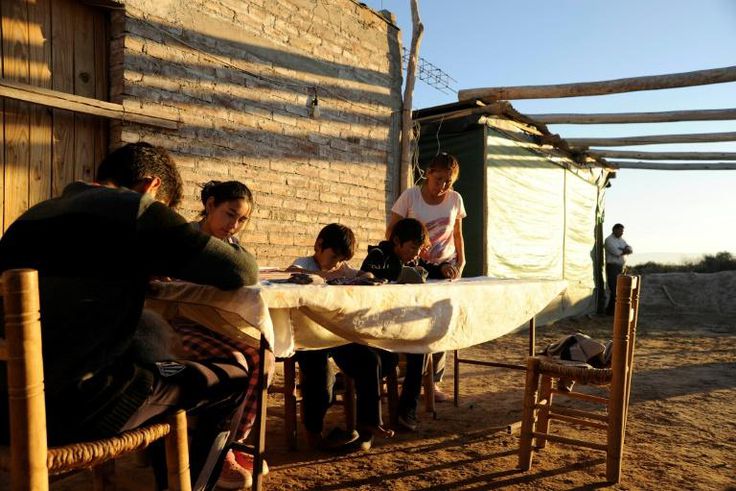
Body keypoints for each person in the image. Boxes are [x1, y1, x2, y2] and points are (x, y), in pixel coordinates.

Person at [0, 142, 258, 490]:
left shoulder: (32, 215)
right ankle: (195, 484)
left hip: (5, 412)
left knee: (152, 345)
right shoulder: (134, 208)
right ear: (150, 187)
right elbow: (240, 270)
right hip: (78, 411)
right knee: (235, 372)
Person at [170, 180, 273, 490]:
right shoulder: (182, 239)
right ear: (210, 205)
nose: (234, 226)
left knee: (262, 355)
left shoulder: (232, 250)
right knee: (237, 360)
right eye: (230, 215)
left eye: (242, 220)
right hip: (173, 324)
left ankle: (231, 443)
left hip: (212, 325)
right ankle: (212, 451)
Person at [291, 224, 396, 451]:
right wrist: (324, 277)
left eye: (341, 260)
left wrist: (362, 278)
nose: (337, 263)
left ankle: (368, 425)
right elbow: (292, 273)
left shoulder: (342, 268)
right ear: (319, 246)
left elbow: (365, 274)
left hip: (337, 334)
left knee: (371, 360)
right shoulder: (303, 264)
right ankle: (313, 433)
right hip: (308, 338)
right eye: (334, 256)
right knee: (320, 380)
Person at [386, 152, 467, 402]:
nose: (442, 186)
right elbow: (392, 231)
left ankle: (433, 382)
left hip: (445, 267)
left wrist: (461, 261)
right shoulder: (410, 196)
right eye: (439, 179)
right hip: (414, 269)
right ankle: (406, 376)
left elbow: (457, 233)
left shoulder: (455, 199)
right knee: (412, 321)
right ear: (428, 173)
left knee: (441, 322)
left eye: (448, 182)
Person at [361, 218, 455, 430]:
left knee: (420, 349)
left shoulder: (413, 261)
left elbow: (429, 268)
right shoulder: (378, 255)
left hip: (403, 327)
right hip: (375, 327)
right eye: (413, 247)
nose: (416, 254)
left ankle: (407, 410)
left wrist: (444, 268)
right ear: (396, 241)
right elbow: (368, 273)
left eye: (420, 249)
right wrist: (400, 274)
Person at [604, 223, 633, 315]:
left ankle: (615, 310)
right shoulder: (609, 240)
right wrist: (624, 251)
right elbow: (616, 252)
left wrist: (625, 250)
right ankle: (610, 311)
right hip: (613, 266)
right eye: (620, 230)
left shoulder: (621, 240)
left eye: (622, 231)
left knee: (620, 289)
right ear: (614, 230)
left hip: (621, 267)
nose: (622, 232)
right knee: (614, 288)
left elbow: (630, 249)